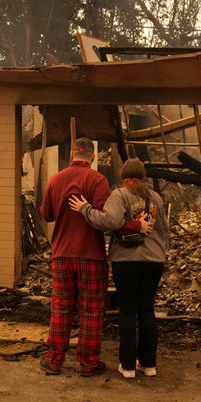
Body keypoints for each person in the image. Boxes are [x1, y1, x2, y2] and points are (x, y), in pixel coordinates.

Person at [38, 138, 145, 376]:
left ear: (72, 155)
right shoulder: (97, 180)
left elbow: (46, 215)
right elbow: (108, 220)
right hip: (91, 257)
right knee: (92, 311)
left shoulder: (55, 179)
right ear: (93, 157)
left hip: (62, 255)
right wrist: (136, 226)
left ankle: (54, 360)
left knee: (61, 309)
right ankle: (88, 362)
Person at [69, 158, 168, 379]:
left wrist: (85, 209)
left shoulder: (120, 194)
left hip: (127, 261)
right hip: (154, 262)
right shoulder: (156, 198)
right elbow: (164, 231)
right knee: (147, 311)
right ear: (142, 175)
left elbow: (110, 221)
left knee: (127, 312)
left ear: (124, 176)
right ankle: (149, 365)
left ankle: (128, 367)